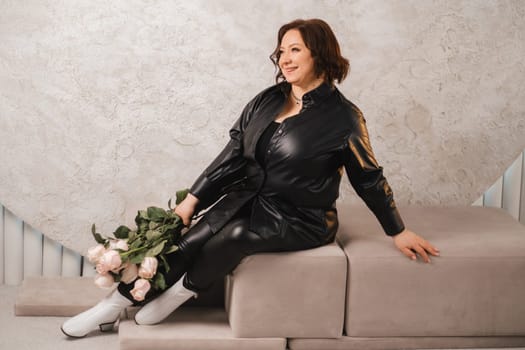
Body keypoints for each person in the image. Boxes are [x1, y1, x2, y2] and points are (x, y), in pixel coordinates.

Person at [61, 18, 439, 338]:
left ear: (319, 54)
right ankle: (111, 307)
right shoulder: (267, 99)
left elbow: (368, 177)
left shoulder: (344, 118)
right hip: (248, 198)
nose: (284, 58)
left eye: (295, 49)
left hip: (301, 218)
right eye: (281, 50)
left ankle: (175, 296)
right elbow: (232, 155)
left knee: (236, 237)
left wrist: (397, 229)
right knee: (189, 237)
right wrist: (192, 200)